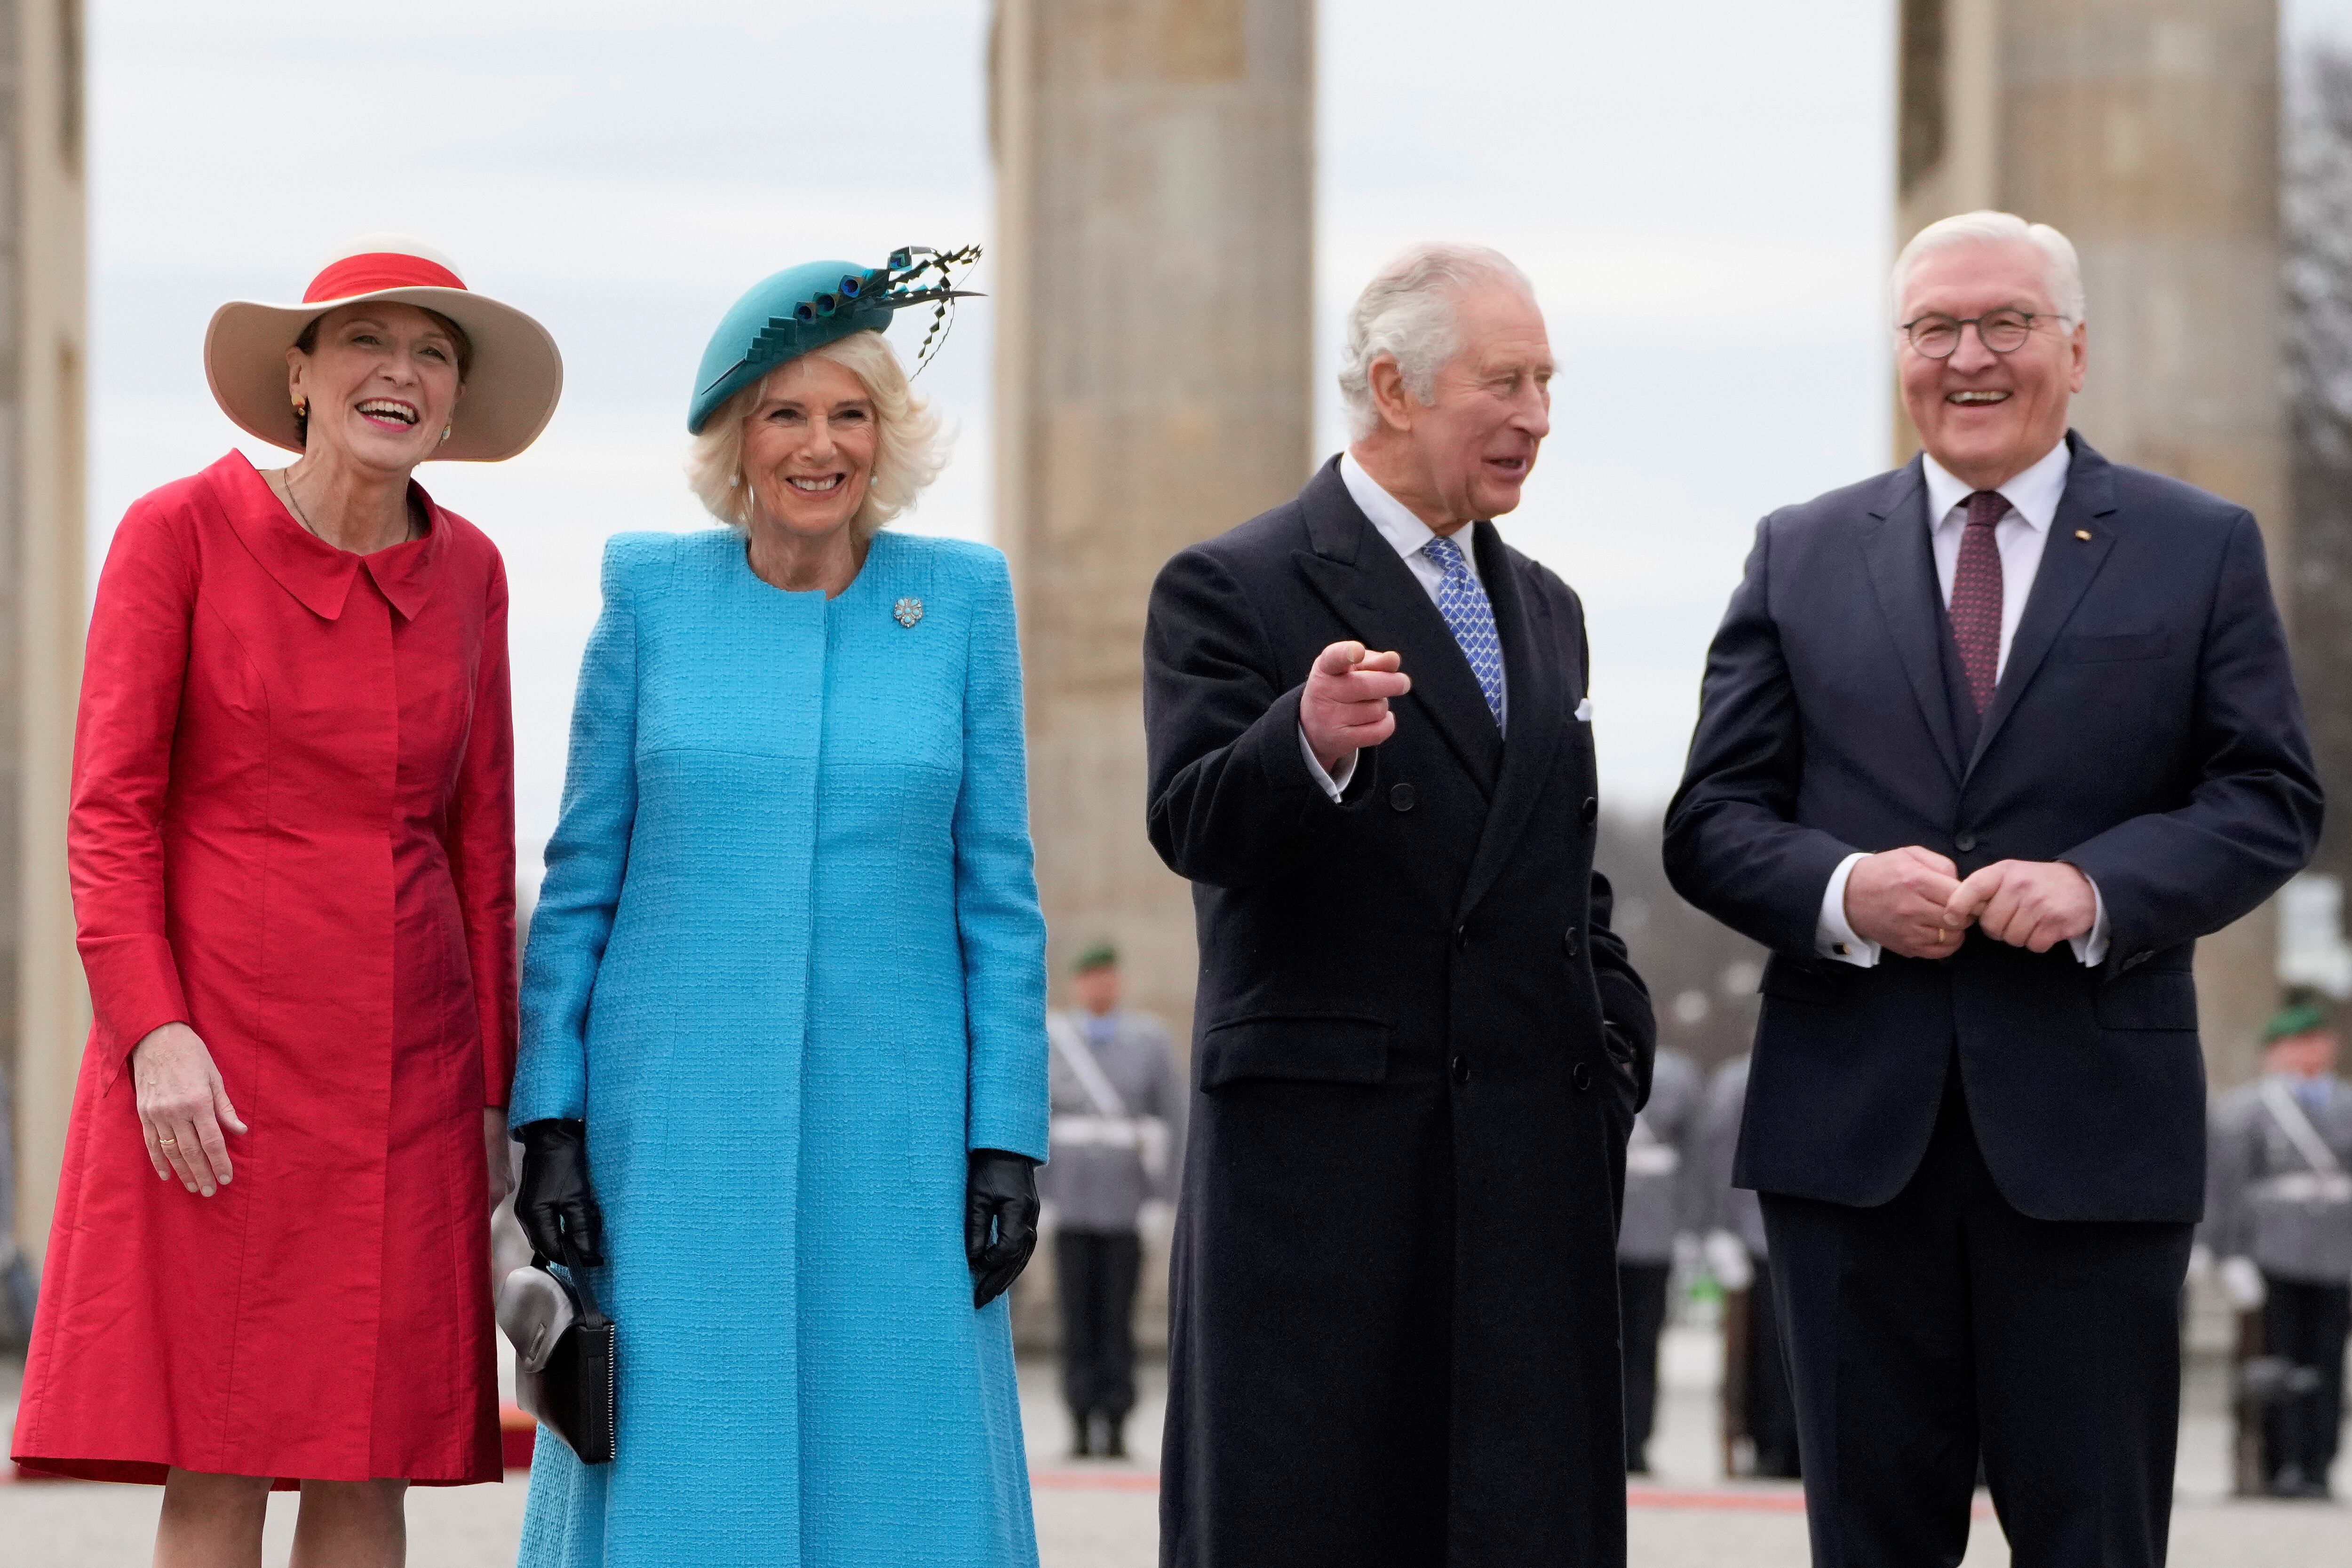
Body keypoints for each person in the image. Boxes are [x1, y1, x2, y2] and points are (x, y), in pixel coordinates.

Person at [1663, 209, 2322, 1567]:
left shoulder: (2197, 546)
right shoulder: (1799, 549)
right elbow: (1713, 819)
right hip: (1849, 1149)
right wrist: (1845, 887)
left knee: (2095, 1538)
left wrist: (2099, 886)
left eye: (2006, 323)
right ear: (1900, 353)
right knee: (1870, 1541)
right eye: (1934, 328)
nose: (1969, 355)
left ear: (2074, 350)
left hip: (2090, 1146)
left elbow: (2268, 797)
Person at [10, 236, 558, 1562]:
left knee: (371, 1464)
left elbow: (482, 848)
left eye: (435, 352)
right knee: (223, 1457)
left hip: (410, 1075)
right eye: (368, 340)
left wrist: (496, 1093)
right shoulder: (178, 532)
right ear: (301, 374)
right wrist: (154, 1032)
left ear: (452, 402)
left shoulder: (473, 571)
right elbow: (109, 811)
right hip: (216, 1062)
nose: (401, 371)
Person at [507, 253, 1049, 1568]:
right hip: (676, 1125)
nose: (821, 445)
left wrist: (1006, 1138)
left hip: (903, 1125)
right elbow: (581, 877)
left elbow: (1000, 892)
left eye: (849, 413)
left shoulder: (962, 598)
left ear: (888, 435)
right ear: (738, 441)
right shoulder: (651, 593)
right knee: (693, 1455)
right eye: (786, 414)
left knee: (901, 1456)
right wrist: (552, 1122)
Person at [1145, 243, 1655, 1564]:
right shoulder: (1234, 582)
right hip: (1329, 1182)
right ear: (1394, 385)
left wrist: (1614, 1035)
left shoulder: (1548, 608)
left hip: (1527, 1170)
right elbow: (1192, 823)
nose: (1540, 413)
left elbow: (1558, 865)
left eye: (1548, 380)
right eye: (1508, 380)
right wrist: (1302, 739)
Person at [1041, 942, 1185, 1460]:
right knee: (1077, 1316)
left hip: (1125, 1200)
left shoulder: (1148, 1042)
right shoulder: (1055, 1041)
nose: (1099, 987)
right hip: (1072, 1199)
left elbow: (1174, 1117)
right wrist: (1043, 1196)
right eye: (1090, 978)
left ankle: (1118, 1420)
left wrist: (1162, 1198)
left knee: (1118, 1316)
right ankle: (1079, 1419)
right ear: (1078, 984)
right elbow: (1039, 1122)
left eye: (1106, 977)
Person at [2207, 997, 2352, 1498]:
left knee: (2328, 1362)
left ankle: (2317, 1463)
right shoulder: (2247, 1109)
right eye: (2298, 1042)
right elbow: (2226, 1185)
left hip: (2336, 1252)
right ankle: (2278, 1462)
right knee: (2275, 1361)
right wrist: (2225, 1253)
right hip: (2272, 1251)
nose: (2311, 1050)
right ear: (2277, 1049)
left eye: (2318, 1040)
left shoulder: (2345, 1104)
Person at [1692, 1052, 1800, 1480]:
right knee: (1767, 1356)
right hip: (1760, 1234)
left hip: (1793, 1229)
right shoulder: (1740, 1079)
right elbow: (1719, 1157)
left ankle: (1789, 1447)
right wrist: (1719, 1227)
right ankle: (1775, 1445)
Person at [1616, 1046, 1700, 1475]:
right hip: (1641, 1233)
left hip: (1647, 1235)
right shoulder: (1677, 1075)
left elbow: (1697, 1156)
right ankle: (1630, 1443)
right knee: (1637, 1346)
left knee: (1642, 1346)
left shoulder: (1676, 1076)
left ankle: (1634, 1442)